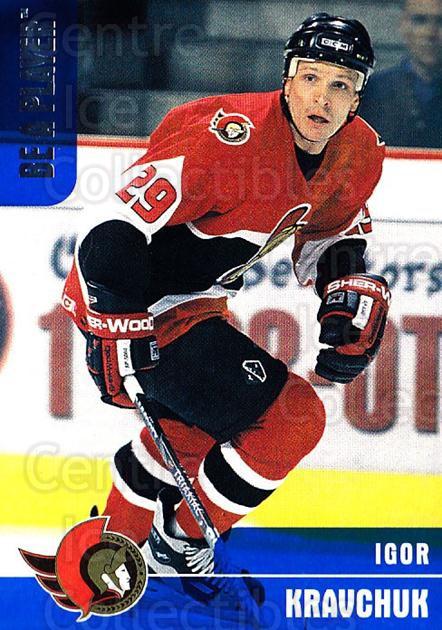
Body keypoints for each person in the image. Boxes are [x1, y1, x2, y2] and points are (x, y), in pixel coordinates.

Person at [62, 12, 390, 606]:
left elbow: (329, 232)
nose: (322, 97)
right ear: (286, 80)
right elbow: (112, 224)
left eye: (340, 84)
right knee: (293, 419)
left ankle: (115, 555)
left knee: (187, 433)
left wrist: (344, 287)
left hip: (199, 305)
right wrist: (113, 313)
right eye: (310, 78)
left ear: (357, 96)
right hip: (138, 306)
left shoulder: (358, 151)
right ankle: (180, 546)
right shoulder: (226, 138)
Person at [359, 0, 442, 148]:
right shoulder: (371, 91)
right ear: (404, 25)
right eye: (420, 20)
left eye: (441, 21)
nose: (430, 33)